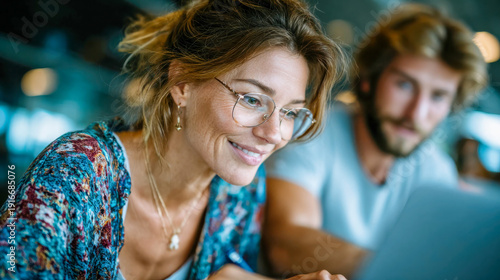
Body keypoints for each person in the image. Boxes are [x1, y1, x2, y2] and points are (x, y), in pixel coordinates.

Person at [0, 0, 349, 279]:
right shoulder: (76, 170)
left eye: (289, 112)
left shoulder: (240, 197)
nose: (273, 134)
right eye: (252, 99)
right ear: (183, 84)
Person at [263, 3, 488, 278]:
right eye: (404, 85)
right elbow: (285, 245)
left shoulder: (437, 171)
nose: (415, 113)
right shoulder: (311, 132)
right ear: (369, 78)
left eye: (438, 96)